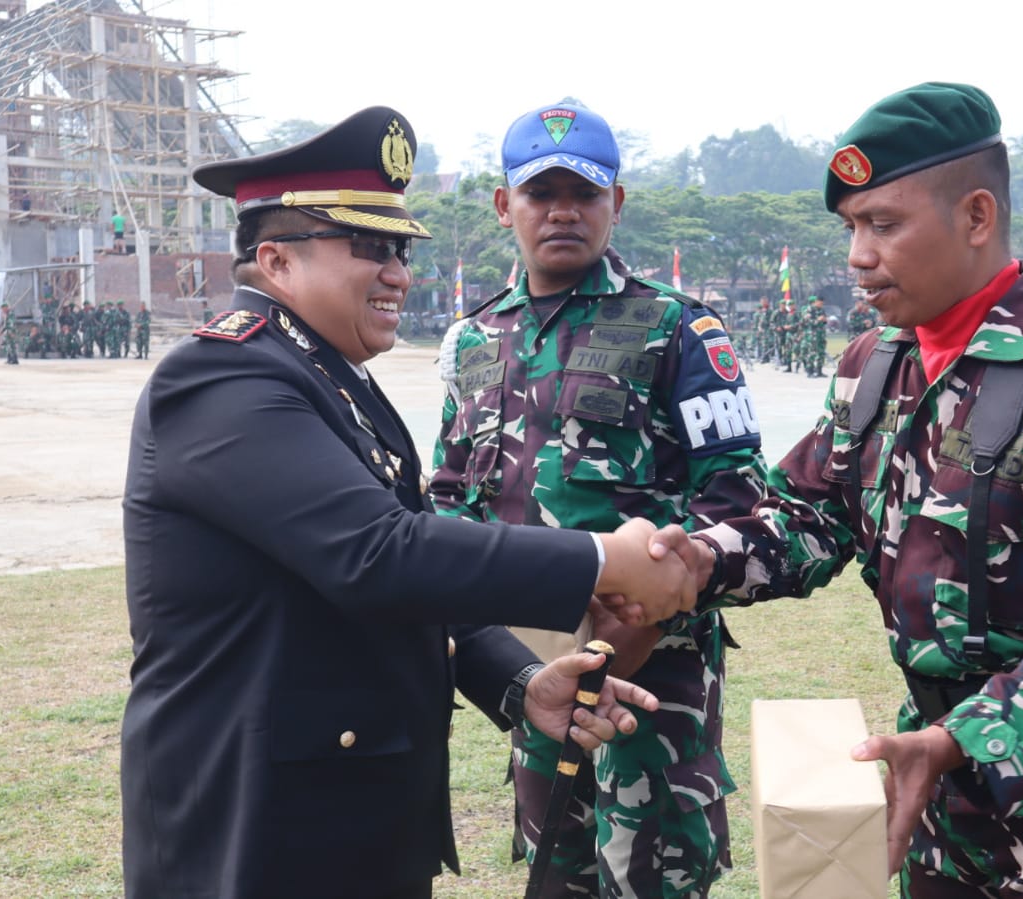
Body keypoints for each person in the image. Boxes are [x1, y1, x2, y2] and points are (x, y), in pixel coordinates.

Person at [121, 105, 698, 899]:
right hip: (259, 820)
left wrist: (519, 683)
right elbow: (379, 554)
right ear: (276, 259)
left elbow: (413, 555)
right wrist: (602, 559)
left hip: (350, 808)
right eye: (369, 248)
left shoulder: (331, 377)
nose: (398, 271)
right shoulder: (225, 378)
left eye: (400, 248)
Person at [656, 82, 1023, 897]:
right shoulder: (876, 365)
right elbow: (806, 512)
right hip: (932, 774)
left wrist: (962, 740)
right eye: (850, 227)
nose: (857, 256)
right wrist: (692, 559)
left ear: (975, 217)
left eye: (883, 223)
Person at [430, 101, 768, 899]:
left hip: (657, 679)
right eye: (540, 193)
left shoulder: (678, 328)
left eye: (583, 193)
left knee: (650, 879)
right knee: (555, 875)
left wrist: (640, 622)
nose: (562, 212)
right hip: (534, 669)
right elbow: (448, 499)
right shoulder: (471, 340)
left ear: (615, 203)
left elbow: (739, 497)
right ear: (503, 205)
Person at [0, 301, 19, 365]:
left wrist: (11, 332)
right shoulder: (6, 314)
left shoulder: (10, 314)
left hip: (11, 332)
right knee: (7, 346)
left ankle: (14, 359)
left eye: (3, 308)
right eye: (2, 308)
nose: (2, 310)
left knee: (12, 346)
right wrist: (1, 331)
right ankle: (9, 359)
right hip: (7, 332)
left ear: (7, 307)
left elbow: (12, 324)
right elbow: (5, 325)